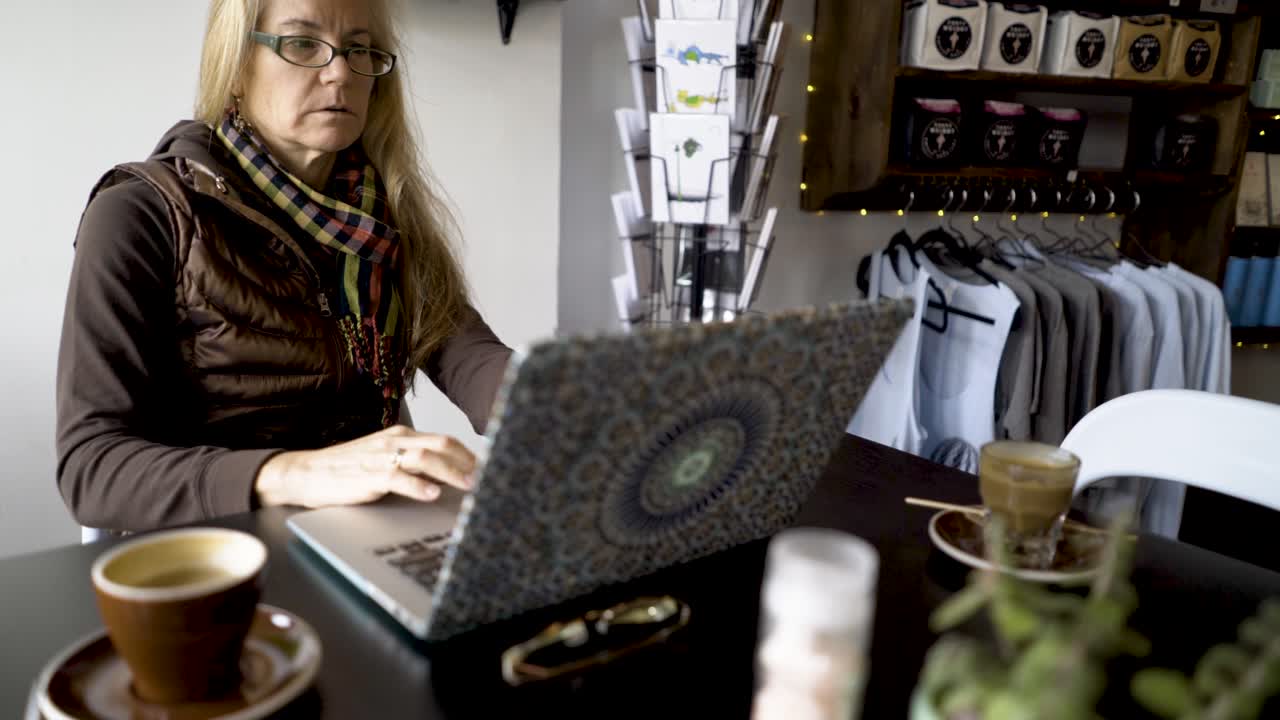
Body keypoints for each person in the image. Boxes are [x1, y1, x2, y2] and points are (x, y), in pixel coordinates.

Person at [56, 0, 513, 533]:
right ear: (236, 67)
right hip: (218, 554)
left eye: (360, 49)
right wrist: (295, 474)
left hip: (359, 536)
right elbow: (91, 468)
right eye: (301, 43)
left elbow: (469, 356)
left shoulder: (381, 220)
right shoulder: (141, 212)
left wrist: (562, 410)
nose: (340, 71)